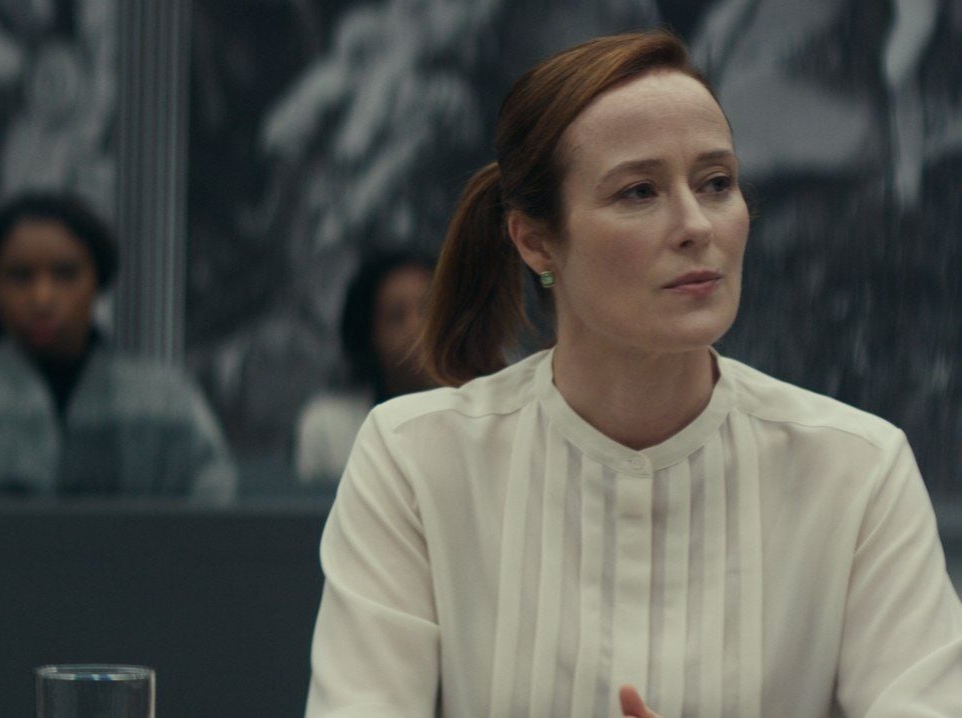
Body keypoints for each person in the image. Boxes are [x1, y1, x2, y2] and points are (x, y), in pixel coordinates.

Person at [305, 31, 962, 718]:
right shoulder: (414, 460)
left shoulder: (858, 469)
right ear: (535, 240)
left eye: (716, 183)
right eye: (639, 191)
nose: (695, 225)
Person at [0, 193, 236, 502]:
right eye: (20, 276)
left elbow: (209, 530)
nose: (42, 298)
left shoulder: (167, 405)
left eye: (65, 274)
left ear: (98, 282)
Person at [295, 250, 437, 485]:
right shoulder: (327, 427)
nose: (416, 329)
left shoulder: (482, 423)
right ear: (368, 334)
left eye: (428, 311)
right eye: (396, 316)